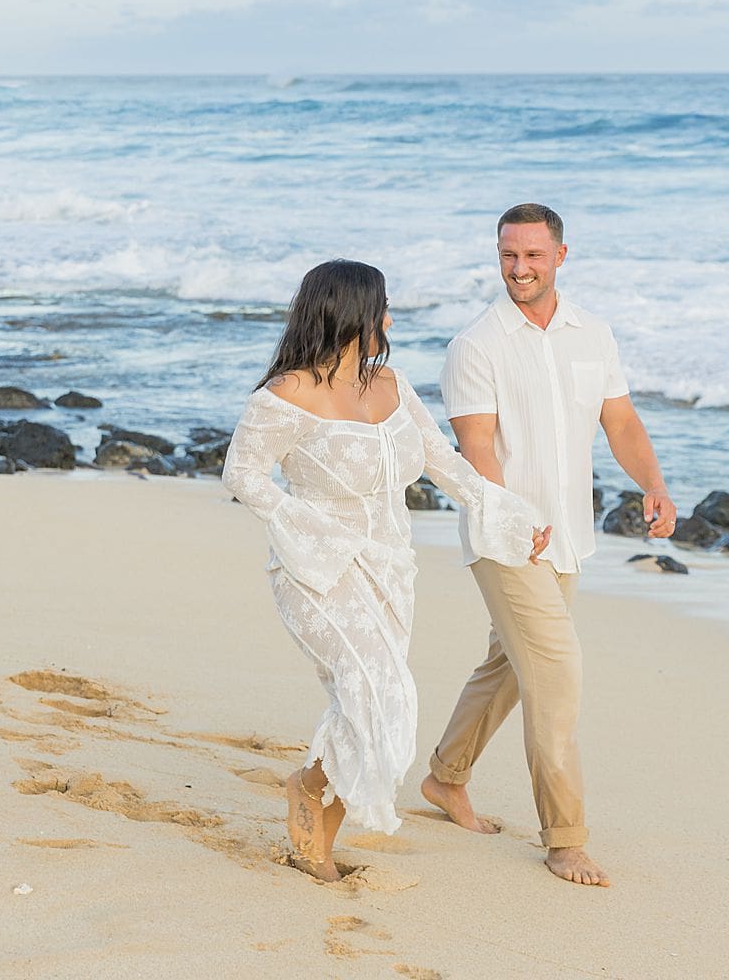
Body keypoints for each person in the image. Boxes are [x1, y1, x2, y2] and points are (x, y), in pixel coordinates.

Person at [223, 258, 550, 881]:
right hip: (315, 568)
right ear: (350, 315)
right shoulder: (286, 394)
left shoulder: (392, 384)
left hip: (390, 565)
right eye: (382, 307)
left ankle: (312, 798)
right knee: (378, 691)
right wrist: (297, 519)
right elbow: (241, 473)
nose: (390, 319)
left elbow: (442, 461)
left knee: (367, 701)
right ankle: (310, 798)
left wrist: (505, 512)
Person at [421, 203, 676, 887]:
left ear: (561, 255)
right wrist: (506, 518)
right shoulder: (476, 345)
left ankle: (446, 778)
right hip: (505, 540)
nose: (519, 268)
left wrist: (652, 482)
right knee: (557, 676)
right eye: (508, 255)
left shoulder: (592, 333)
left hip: (567, 538)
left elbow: (619, 420)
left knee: (508, 664)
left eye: (532, 255)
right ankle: (564, 837)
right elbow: (475, 447)